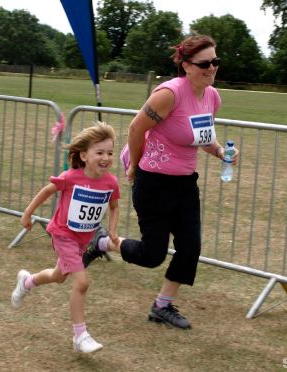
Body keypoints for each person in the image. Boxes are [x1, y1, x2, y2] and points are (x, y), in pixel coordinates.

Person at [83, 34, 238, 329]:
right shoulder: (170, 94)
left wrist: (219, 151)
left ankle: (162, 306)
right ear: (186, 65)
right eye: (205, 63)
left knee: (190, 248)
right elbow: (136, 128)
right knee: (152, 254)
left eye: (216, 61)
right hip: (153, 182)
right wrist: (136, 167)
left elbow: (202, 137)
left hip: (185, 184)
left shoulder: (212, 96)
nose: (212, 68)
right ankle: (102, 241)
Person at [11, 122, 121, 353]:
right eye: (99, 152)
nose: (106, 157)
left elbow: (114, 206)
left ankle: (27, 282)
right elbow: (47, 190)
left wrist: (112, 229)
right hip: (63, 235)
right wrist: (27, 213)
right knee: (81, 282)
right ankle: (80, 336)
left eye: (110, 153)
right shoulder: (71, 177)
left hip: (82, 240)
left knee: (59, 276)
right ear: (84, 155)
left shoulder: (110, 182)